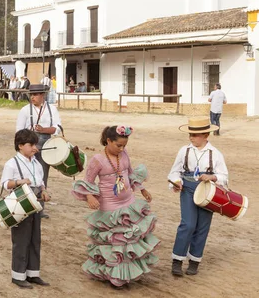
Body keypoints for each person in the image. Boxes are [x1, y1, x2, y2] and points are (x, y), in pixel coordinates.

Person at [72, 125, 158, 288]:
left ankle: (126, 274)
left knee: (129, 240)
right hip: (109, 206)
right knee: (116, 242)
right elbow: (87, 181)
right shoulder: (98, 159)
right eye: (118, 145)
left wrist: (143, 190)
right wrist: (90, 197)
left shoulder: (123, 154)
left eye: (124, 145)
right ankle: (114, 276)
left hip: (129, 202)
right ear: (108, 141)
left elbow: (131, 174)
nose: (122, 148)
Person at [168, 117, 228, 277]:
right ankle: (177, 260)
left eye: (195, 135)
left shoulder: (215, 154)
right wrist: (176, 181)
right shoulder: (184, 151)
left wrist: (212, 177)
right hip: (187, 189)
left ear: (206, 135)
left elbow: (224, 175)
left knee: (202, 226)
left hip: (208, 193)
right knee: (187, 224)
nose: (191, 138)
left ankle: (194, 261)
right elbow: (175, 171)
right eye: (190, 135)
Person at [0, 129, 51, 289]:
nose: (35, 148)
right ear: (21, 145)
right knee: (21, 240)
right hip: (20, 205)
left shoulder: (36, 163)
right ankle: (18, 275)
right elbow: (4, 184)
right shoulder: (11, 163)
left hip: (35, 204)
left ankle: (33, 273)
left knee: (35, 239)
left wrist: (44, 191)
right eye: (31, 145)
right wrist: (19, 182)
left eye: (35, 145)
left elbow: (40, 181)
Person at [15, 84, 62, 218]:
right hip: (28, 145)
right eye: (31, 94)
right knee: (25, 176)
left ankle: (39, 209)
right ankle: (25, 206)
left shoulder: (52, 109)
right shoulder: (24, 110)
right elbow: (18, 131)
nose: (32, 97)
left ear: (43, 95)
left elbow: (57, 128)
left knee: (42, 177)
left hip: (46, 145)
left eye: (35, 95)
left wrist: (43, 130)